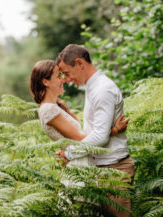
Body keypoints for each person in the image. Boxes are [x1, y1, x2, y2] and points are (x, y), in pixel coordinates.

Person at [56, 44, 135, 217]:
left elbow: (99, 136)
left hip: (114, 169)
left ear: (79, 64)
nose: (67, 80)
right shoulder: (93, 87)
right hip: (102, 167)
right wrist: (113, 130)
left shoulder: (101, 89)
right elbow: (98, 130)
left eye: (67, 73)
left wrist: (69, 153)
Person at [29, 60, 129, 168]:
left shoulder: (55, 107)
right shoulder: (48, 110)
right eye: (58, 76)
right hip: (78, 165)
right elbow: (80, 139)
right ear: (45, 82)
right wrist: (114, 130)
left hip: (81, 160)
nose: (63, 80)